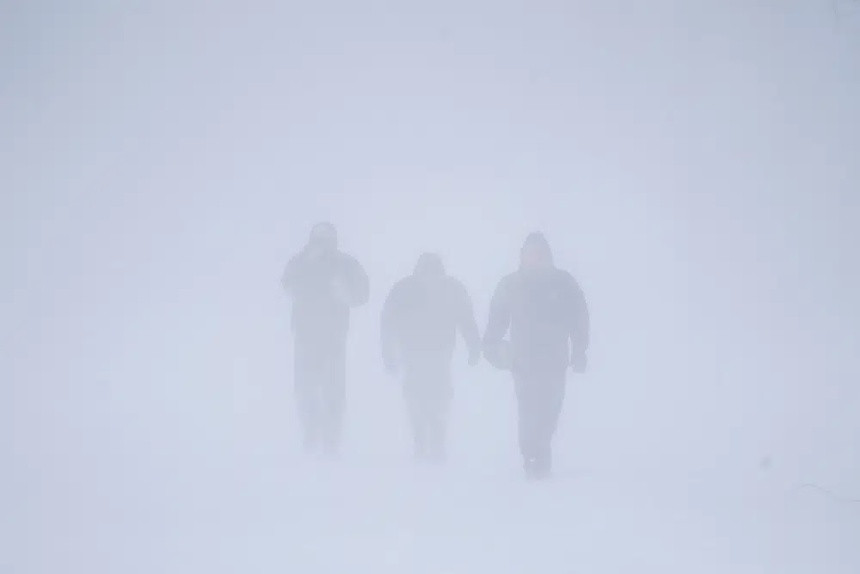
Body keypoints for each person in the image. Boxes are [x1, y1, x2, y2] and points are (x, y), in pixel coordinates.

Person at [483, 232, 589, 479]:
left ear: (548, 255)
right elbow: (497, 320)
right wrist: (491, 346)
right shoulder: (511, 285)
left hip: (555, 360)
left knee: (550, 410)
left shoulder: (564, 283)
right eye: (530, 254)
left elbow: (579, 318)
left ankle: (541, 449)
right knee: (528, 410)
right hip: (523, 361)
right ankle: (532, 455)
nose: (535, 258)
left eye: (539, 253)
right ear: (522, 256)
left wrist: (580, 350)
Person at [381, 253, 481, 462]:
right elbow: (387, 321)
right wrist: (388, 352)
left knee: (439, 395)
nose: (430, 280)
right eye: (426, 274)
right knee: (415, 395)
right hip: (412, 352)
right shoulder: (404, 290)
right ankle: (420, 439)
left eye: (434, 275)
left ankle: (437, 440)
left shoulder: (452, 290)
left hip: (440, 353)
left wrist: (473, 346)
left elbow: (466, 319)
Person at [281, 222, 369, 456]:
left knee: (333, 388)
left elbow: (363, 292)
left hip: (334, 336)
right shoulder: (300, 261)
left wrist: (347, 293)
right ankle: (311, 429)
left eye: (326, 240)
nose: (322, 245)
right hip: (305, 334)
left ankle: (332, 436)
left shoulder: (345, 264)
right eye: (318, 240)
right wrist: (300, 281)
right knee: (305, 387)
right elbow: (286, 283)